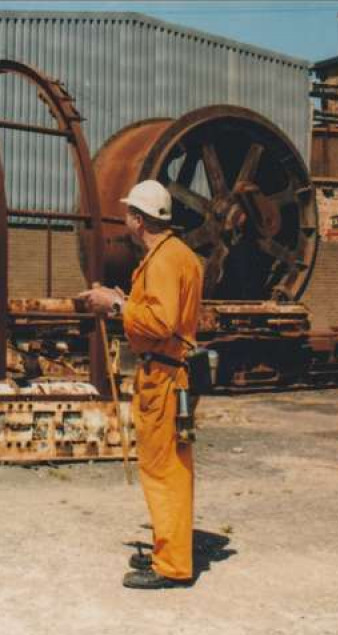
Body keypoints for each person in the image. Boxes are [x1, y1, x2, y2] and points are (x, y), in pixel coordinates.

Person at [78, 179, 203, 590]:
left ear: (138, 219)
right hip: (171, 373)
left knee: (163, 470)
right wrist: (124, 300)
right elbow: (155, 311)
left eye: (129, 212)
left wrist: (115, 304)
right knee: (172, 468)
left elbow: (160, 321)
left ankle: (171, 565)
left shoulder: (164, 260)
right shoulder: (178, 255)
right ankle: (169, 549)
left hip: (164, 377)